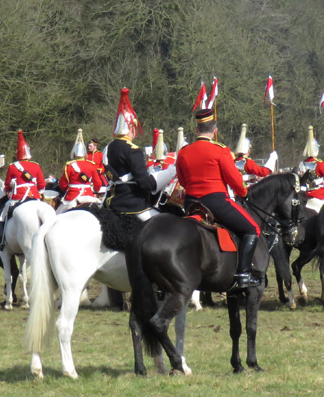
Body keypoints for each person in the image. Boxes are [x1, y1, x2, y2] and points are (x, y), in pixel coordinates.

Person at [175, 107, 261, 289]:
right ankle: (244, 274)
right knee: (252, 229)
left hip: (191, 204)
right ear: (215, 131)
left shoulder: (183, 152)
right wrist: (244, 193)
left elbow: (182, 180)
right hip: (215, 202)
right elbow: (235, 180)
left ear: (197, 129)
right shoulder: (220, 150)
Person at [104, 88, 158, 219]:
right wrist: (157, 182)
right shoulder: (133, 150)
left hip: (112, 199)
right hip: (132, 203)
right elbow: (143, 182)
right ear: (131, 128)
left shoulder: (108, 147)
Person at [0, 130, 43, 250]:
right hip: (34, 195)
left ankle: (0, 239)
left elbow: (7, 186)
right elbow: (41, 185)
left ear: (17, 153)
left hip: (18, 197)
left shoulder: (13, 166)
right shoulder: (36, 166)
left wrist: (9, 187)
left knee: (2, 216)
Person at [58, 129, 103, 212]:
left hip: (72, 196)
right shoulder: (91, 165)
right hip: (88, 195)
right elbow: (98, 184)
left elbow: (63, 184)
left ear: (74, 153)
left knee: (58, 214)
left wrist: (67, 189)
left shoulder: (69, 165)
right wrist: (96, 189)